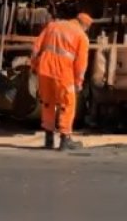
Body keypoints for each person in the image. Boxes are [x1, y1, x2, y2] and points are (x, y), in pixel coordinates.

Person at [31, 12, 92, 151]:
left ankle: (48, 140)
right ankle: (65, 140)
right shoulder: (81, 36)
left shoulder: (53, 26)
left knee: (47, 103)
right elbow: (81, 64)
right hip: (63, 73)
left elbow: (36, 47)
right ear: (85, 26)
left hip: (44, 70)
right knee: (67, 104)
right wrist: (78, 82)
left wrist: (34, 65)